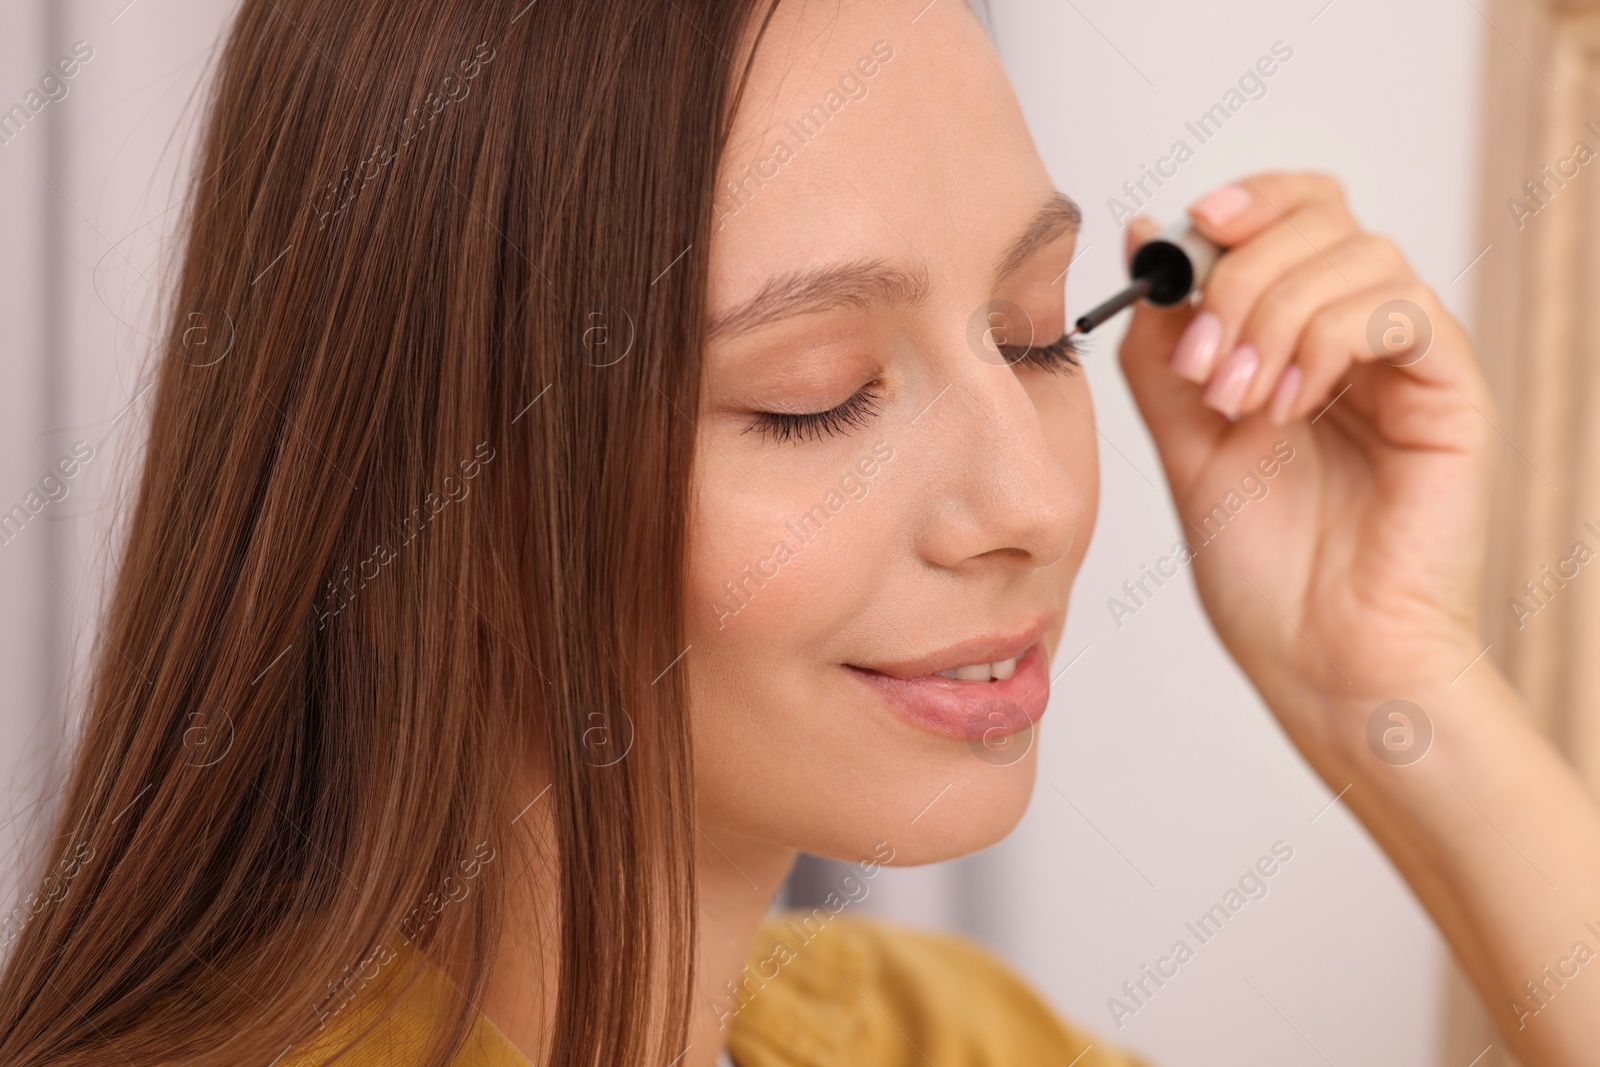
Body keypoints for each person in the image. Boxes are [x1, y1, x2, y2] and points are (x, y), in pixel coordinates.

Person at [1, 0, 1597, 1065]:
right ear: (438, 499)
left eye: (1038, 336)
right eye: (819, 398)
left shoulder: (934, 1036)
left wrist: (1391, 687)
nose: (1032, 508)